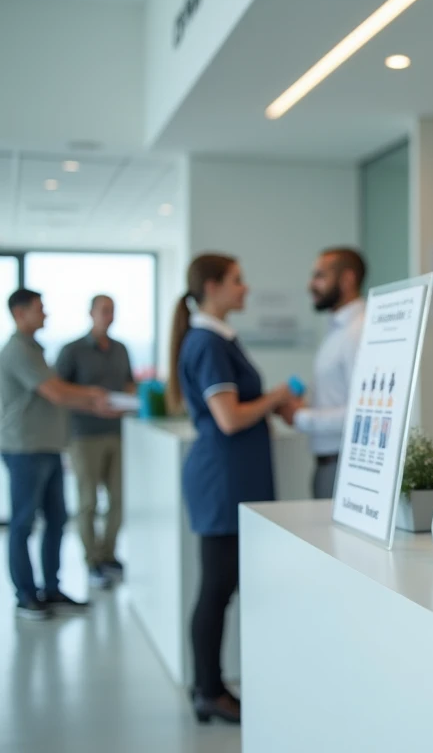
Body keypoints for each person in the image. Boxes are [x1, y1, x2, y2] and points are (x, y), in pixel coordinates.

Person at [167, 254, 294, 725]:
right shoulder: (207, 343)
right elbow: (229, 416)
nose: (246, 288)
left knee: (224, 586)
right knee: (217, 588)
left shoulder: (216, 339)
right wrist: (277, 397)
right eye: (238, 281)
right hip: (222, 481)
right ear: (214, 286)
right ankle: (209, 690)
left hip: (233, 478)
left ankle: (212, 687)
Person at [1, 289, 116, 620]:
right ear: (20, 313)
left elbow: (58, 392)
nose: (45, 314)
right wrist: (94, 395)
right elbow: (55, 391)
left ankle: (51, 589)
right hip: (25, 448)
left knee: (56, 520)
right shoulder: (17, 351)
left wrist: (93, 402)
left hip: (48, 447)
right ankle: (26, 596)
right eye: (39, 309)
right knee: (23, 523)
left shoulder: (35, 350)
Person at [56, 295, 137, 589]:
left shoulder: (121, 350)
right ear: (91, 313)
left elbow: (129, 382)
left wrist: (131, 397)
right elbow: (59, 391)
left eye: (112, 310)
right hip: (84, 434)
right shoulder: (73, 350)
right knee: (88, 500)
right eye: (103, 310)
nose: (108, 315)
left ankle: (108, 555)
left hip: (117, 431)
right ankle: (91, 561)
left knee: (118, 499)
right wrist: (90, 402)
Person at [279, 248, 367, 499]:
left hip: (344, 465)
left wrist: (300, 416)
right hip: (330, 463)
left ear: (347, 279)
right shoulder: (338, 329)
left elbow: (362, 413)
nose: (311, 284)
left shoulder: (358, 331)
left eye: (319, 276)